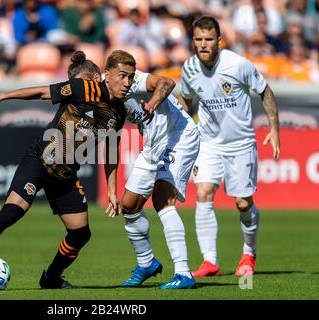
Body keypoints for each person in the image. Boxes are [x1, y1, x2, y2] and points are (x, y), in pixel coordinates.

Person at [0, 50, 135, 288]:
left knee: (81, 234)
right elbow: (40, 92)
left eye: (131, 78)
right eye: (122, 76)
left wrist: (112, 190)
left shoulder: (119, 113)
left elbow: (111, 150)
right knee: (13, 211)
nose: (127, 83)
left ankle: (50, 278)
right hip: (40, 160)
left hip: (66, 174)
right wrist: (1, 96)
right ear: (106, 75)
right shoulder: (84, 88)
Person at [178, 16, 280, 277]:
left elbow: (265, 91)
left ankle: (249, 253)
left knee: (243, 204)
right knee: (203, 194)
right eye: (198, 39)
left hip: (241, 143)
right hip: (209, 142)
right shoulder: (188, 68)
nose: (203, 44)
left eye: (208, 39)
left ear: (218, 40)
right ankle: (210, 262)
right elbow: (188, 102)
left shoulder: (237, 65)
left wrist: (274, 129)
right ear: (193, 40)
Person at [112, 70, 200, 289]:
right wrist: (111, 189)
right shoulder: (105, 97)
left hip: (178, 136)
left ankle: (183, 273)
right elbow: (111, 143)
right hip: (152, 145)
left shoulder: (135, 80)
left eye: (128, 75)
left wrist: (151, 104)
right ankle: (147, 263)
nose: (126, 80)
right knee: (129, 206)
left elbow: (167, 83)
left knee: (162, 199)